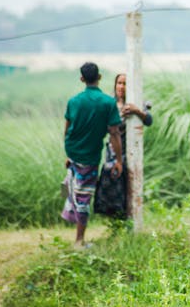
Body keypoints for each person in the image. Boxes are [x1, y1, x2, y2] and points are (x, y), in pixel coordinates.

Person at [61, 62, 123, 248]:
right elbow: (114, 133)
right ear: (100, 77)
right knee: (84, 197)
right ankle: (79, 241)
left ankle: (70, 221)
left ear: (82, 79)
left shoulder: (74, 101)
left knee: (71, 188)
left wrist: (69, 154)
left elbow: (67, 130)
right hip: (89, 158)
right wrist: (119, 160)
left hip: (73, 154)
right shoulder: (108, 103)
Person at [93, 73, 152, 220]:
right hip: (113, 153)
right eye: (119, 83)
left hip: (132, 152)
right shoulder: (109, 104)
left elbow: (149, 120)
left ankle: (129, 221)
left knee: (129, 187)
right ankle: (115, 223)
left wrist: (137, 111)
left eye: (125, 84)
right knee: (113, 188)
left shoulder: (137, 103)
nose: (121, 87)